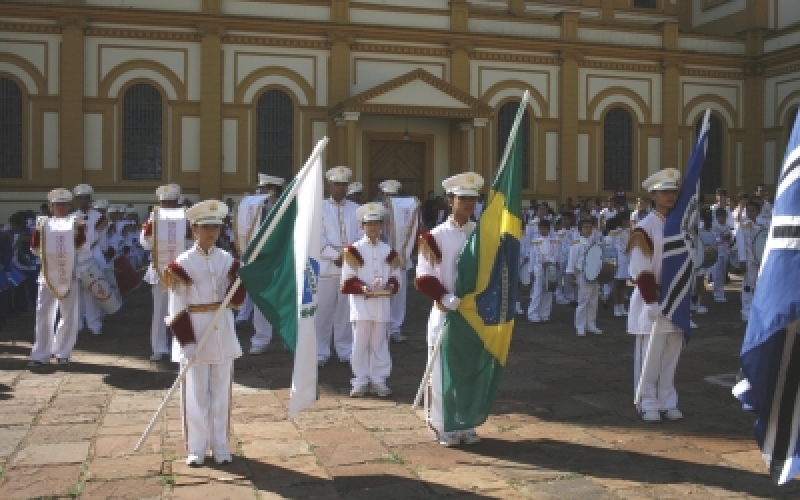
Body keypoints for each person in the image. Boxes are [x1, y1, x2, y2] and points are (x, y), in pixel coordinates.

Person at [163, 199, 245, 466]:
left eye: (216, 228)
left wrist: (242, 277)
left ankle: (220, 443)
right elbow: (176, 309)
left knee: (221, 392)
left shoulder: (227, 260)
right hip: (196, 330)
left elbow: (237, 301)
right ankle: (197, 446)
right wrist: (186, 341)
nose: (211, 233)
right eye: (205, 227)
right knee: (196, 393)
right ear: (194, 229)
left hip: (222, 329)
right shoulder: (182, 264)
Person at [415, 172, 484, 447]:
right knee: (442, 372)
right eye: (463, 198)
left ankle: (465, 421)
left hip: (473, 314)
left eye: (473, 198)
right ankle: (441, 424)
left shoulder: (480, 233)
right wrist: (445, 296)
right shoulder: (435, 236)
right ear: (450, 200)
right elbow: (423, 276)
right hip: (446, 311)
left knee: (469, 369)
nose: (468, 203)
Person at [628, 167, 685, 423]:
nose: (670, 196)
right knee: (649, 353)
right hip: (652, 298)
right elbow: (640, 266)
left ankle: (667, 398)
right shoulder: (645, 227)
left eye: (673, 191)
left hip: (676, 297)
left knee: (672, 349)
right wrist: (651, 300)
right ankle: (646, 400)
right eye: (664, 192)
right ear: (653, 195)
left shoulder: (680, 225)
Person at [340, 202, 402, 397]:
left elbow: (396, 274)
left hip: (381, 305)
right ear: (362, 227)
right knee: (360, 343)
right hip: (361, 305)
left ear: (382, 226)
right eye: (369, 224)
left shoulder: (388, 250)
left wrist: (391, 285)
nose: (373, 228)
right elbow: (347, 280)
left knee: (380, 343)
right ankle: (359, 379)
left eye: (377, 224)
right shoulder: (353, 250)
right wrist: (362, 287)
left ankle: (379, 378)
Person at [29, 189, 92, 366]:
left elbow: (83, 248)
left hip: (69, 275)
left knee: (69, 315)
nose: (61, 208)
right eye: (57, 205)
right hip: (48, 275)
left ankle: (62, 351)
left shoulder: (75, 223)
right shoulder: (43, 224)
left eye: (64, 205)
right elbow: (34, 248)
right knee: (43, 314)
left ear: (69, 206)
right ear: (51, 207)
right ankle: (40, 354)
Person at [318, 166, 362, 366]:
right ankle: (320, 351)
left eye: (344, 185)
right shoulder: (319, 207)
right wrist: (334, 255)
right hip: (326, 266)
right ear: (330, 185)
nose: (340, 188)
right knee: (324, 312)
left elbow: (362, 236)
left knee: (345, 312)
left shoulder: (355, 209)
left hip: (350, 266)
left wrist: (351, 255)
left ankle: (345, 350)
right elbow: (316, 236)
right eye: (337, 184)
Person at [140, 184, 189, 361]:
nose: (167, 205)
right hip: (158, 270)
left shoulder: (185, 218)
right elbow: (144, 244)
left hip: (179, 269)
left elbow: (191, 243)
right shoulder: (153, 219)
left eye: (171, 202)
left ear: (176, 203)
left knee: (180, 310)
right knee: (159, 311)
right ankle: (159, 348)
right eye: (164, 202)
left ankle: (181, 347)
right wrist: (150, 231)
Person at [378, 179, 419, 343]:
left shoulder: (405, 212)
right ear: (381, 195)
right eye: (388, 195)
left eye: (394, 195)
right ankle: (381, 328)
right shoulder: (377, 211)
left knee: (399, 295)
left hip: (400, 258)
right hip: (381, 259)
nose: (390, 199)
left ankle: (395, 328)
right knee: (381, 293)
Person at [566, 218, 603, 336]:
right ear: (580, 230)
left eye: (590, 227)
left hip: (595, 275)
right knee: (583, 301)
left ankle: (591, 324)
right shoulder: (576, 245)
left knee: (593, 301)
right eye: (586, 227)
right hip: (582, 275)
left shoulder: (595, 243)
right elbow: (571, 262)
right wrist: (571, 277)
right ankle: (580, 326)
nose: (588, 230)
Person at [737, 200, 768, 323]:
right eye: (748, 210)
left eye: (753, 210)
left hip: (761, 259)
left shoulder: (764, 224)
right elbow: (740, 243)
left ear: (758, 212)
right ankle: (746, 309)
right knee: (748, 285)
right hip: (749, 259)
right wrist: (742, 259)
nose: (750, 213)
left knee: (760, 284)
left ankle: (759, 308)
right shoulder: (743, 225)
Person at [527, 219, 559, 323]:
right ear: (538, 229)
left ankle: (544, 313)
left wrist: (550, 262)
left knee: (548, 291)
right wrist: (530, 271)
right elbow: (532, 257)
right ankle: (532, 313)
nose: (543, 230)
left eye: (545, 228)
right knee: (537, 291)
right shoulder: (535, 242)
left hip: (550, 268)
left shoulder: (553, 241)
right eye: (541, 228)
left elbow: (556, 256)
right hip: (539, 268)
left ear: (549, 229)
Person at [605, 214, 631, 317]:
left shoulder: (625, 232)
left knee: (623, 285)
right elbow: (609, 248)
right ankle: (617, 307)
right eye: (625, 221)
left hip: (625, 260)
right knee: (617, 285)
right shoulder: (612, 235)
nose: (627, 223)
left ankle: (622, 307)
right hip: (617, 262)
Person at [710, 207, 733, 303]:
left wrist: (727, 238)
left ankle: (721, 292)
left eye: (724, 217)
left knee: (723, 274)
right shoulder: (713, 227)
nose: (722, 219)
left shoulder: (727, 227)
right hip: (717, 253)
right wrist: (722, 237)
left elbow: (730, 239)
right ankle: (716, 293)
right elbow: (714, 240)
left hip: (725, 252)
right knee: (716, 274)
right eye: (720, 217)